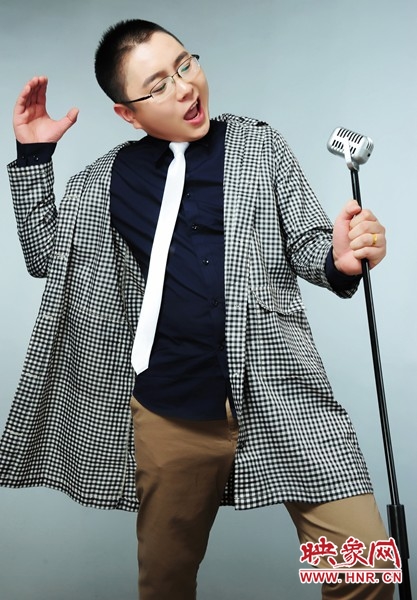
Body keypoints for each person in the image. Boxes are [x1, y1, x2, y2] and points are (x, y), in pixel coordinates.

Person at [0, 18, 394, 600]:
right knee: (166, 584)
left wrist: (340, 258)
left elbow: (312, 245)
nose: (185, 87)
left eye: (185, 65)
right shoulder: (104, 181)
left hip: (282, 392)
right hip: (170, 411)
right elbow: (46, 258)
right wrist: (34, 156)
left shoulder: (259, 146)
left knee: (364, 571)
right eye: (158, 85)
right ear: (128, 114)